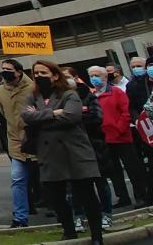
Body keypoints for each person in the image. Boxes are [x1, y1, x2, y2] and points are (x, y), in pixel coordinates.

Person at [21, 59, 104, 245]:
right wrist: (53, 113)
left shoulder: (69, 94)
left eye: (44, 73)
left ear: (55, 75)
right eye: (36, 73)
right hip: (49, 155)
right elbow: (26, 116)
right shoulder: (32, 97)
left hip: (75, 152)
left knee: (87, 196)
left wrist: (41, 118)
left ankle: (97, 236)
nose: (39, 76)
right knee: (57, 197)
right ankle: (69, 231)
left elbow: (71, 117)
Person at [87, 65, 145, 208]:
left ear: (105, 77)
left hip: (122, 137)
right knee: (114, 171)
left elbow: (125, 112)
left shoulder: (116, 92)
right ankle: (122, 197)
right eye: (91, 76)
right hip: (104, 139)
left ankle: (141, 195)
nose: (94, 78)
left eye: (97, 75)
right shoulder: (92, 96)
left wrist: (119, 128)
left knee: (132, 168)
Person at [65, 67, 114, 232]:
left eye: (67, 77)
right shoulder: (58, 99)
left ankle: (106, 213)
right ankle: (78, 216)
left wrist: (72, 118)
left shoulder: (87, 95)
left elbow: (96, 117)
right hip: (71, 149)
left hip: (94, 147)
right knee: (74, 187)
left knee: (101, 183)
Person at [0, 58, 37, 228]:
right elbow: (3, 113)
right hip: (15, 141)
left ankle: (62, 211)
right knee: (17, 179)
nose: (5, 72)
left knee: (48, 180)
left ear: (18, 72)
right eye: (3, 69)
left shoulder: (33, 87)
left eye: (9, 69)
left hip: (36, 139)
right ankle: (20, 218)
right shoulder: (0, 91)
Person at [124, 56, 153, 204]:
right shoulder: (133, 86)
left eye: (139, 65)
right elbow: (131, 106)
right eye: (133, 66)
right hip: (147, 130)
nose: (137, 68)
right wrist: (137, 120)